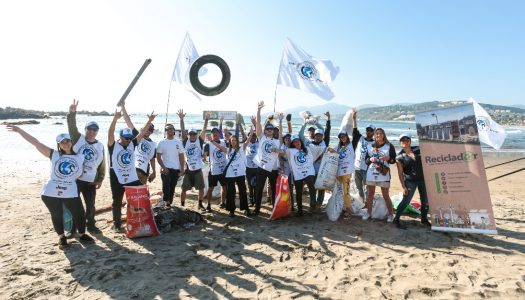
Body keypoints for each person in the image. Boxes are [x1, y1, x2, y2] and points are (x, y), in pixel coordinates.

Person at [7, 125, 95, 247]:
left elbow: (90, 166)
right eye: (62, 142)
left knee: (79, 212)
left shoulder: (80, 157)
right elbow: (35, 143)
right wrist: (20, 130)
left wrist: (98, 178)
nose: (65, 144)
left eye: (67, 141)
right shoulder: (54, 154)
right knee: (56, 214)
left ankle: (81, 234)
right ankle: (61, 237)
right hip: (51, 192)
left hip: (70, 191)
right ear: (59, 145)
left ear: (71, 142)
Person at [108, 106, 154, 232]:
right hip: (116, 175)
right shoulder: (113, 145)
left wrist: (149, 121)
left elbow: (141, 134)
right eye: (126, 138)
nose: (128, 140)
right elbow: (110, 132)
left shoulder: (132, 144)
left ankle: (140, 218)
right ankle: (116, 224)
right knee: (117, 200)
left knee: (142, 193)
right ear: (121, 136)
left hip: (131, 176)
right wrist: (115, 119)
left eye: (129, 138)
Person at [66, 99, 106, 234]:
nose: (92, 131)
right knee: (75, 205)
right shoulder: (78, 138)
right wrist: (72, 113)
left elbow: (102, 164)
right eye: (90, 128)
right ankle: (73, 228)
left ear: (97, 132)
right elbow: (72, 126)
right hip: (75, 180)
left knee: (90, 206)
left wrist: (100, 179)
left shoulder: (100, 146)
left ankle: (91, 225)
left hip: (90, 181)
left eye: (95, 129)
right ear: (86, 130)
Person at [210, 130, 251, 217]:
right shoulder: (228, 150)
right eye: (232, 141)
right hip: (230, 174)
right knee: (231, 192)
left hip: (240, 173)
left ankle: (246, 209)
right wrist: (212, 141)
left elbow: (248, 140)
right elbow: (220, 146)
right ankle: (231, 210)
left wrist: (251, 130)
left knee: (243, 191)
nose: (234, 142)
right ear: (230, 142)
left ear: (237, 141)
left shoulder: (242, 148)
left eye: (235, 140)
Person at [394, 133, 431, 229]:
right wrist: (403, 186)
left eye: (406, 139)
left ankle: (424, 220)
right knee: (406, 201)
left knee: (425, 201)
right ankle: (396, 219)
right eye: (402, 140)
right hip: (410, 181)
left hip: (423, 180)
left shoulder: (418, 149)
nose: (404, 142)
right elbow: (400, 173)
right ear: (400, 142)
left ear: (410, 141)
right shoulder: (399, 157)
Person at [253, 101, 283, 215]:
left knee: (274, 190)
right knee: (259, 189)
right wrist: (259, 110)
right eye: (268, 129)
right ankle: (257, 209)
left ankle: (275, 208)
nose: (270, 130)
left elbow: (281, 134)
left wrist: (280, 121)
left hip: (273, 168)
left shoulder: (277, 141)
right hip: (262, 167)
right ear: (265, 131)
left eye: (272, 129)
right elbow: (258, 123)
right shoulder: (261, 137)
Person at [362, 128, 396, 222]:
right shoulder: (370, 146)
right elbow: (366, 160)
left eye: (380, 134)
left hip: (383, 173)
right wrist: (370, 160)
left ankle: (390, 215)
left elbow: (393, 160)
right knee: (370, 195)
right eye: (377, 134)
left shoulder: (389, 146)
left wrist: (388, 158)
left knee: (386, 195)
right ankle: (368, 212)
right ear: (374, 135)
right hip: (372, 173)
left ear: (384, 135)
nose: (378, 135)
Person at [119, 105, 157, 185]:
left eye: (150, 130)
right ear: (142, 129)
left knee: (140, 193)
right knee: (130, 191)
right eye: (146, 128)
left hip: (144, 171)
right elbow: (128, 121)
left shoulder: (153, 144)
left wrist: (154, 172)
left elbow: (152, 159)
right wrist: (123, 107)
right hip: (133, 168)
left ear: (152, 131)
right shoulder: (137, 137)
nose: (148, 131)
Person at [178, 109, 206, 209]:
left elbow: (204, 130)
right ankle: (182, 204)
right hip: (188, 170)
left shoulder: (200, 141)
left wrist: (206, 120)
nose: (193, 135)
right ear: (188, 135)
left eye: (194, 134)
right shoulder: (186, 141)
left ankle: (200, 204)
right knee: (184, 189)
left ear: (196, 135)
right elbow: (182, 130)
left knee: (201, 188)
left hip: (198, 170)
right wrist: (181, 119)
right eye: (191, 134)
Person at [203, 113, 228, 212]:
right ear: (212, 135)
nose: (215, 134)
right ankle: (209, 204)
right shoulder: (208, 144)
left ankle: (223, 203)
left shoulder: (223, 142)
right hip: (213, 170)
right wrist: (203, 157)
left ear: (219, 133)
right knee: (210, 188)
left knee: (224, 187)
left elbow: (226, 151)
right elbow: (205, 155)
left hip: (223, 169)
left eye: (217, 133)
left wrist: (221, 123)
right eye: (213, 133)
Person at [286, 134, 317, 216]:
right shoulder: (290, 151)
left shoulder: (307, 149)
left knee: (312, 188)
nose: (297, 143)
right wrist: (275, 150)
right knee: (298, 192)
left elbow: (312, 159)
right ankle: (300, 210)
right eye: (295, 142)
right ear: (293, 143)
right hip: (298, 174)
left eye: (298, 141)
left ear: (301, 141)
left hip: (308, 172)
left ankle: (313, 206)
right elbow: (283, 152)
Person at [156, 123, 185, 207]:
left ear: (174, 131)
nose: (170, 130)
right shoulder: (161, 142)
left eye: (172, 129)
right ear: (165, 131)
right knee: (166, 186)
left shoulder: (178, 142)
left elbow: (181, 157)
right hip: (166, 169)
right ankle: (166, 202)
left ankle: (169, 203)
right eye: (168, 129)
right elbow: (158, 157)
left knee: (172, 187)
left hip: (176, 169)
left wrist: (182, 169)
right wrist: (163, 167)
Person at [308, 111, 331, 209]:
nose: (318, 136)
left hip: (322, 169)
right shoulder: (310, 143)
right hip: (312, 170)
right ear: (314, 136)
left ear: (322, 136)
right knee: (312, 188)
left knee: (321, 188)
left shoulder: (325, 142)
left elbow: (327, 130)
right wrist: (309, 121)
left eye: (320, 135)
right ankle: (313, 203)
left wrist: (328, 119)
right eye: (316, 135)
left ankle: (319, 204)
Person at [330, 130, 356, 217]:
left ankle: (348, 208)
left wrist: (354, 119)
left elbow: (355, 133)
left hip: (347, 172)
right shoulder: (339, 147)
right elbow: (334, 154)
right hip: (339, 172)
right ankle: (342, 207)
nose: (343, 138)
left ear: (347, 136)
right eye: (341, 137)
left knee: (346, 191)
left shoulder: (352, 145)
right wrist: (330, 150)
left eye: (344, 136)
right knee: (339, 191)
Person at [351, 108, 375, 201]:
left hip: (367, 169)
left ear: (373, 132)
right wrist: (354, 118)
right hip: (357, 167)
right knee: (358, 187)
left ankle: (367, 204)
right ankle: (361, 202)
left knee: (366, 188)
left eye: (371, 130)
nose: (368, 131)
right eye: (367, 130)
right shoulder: (360, 138)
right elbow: (354, 130)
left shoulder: (375, 143)